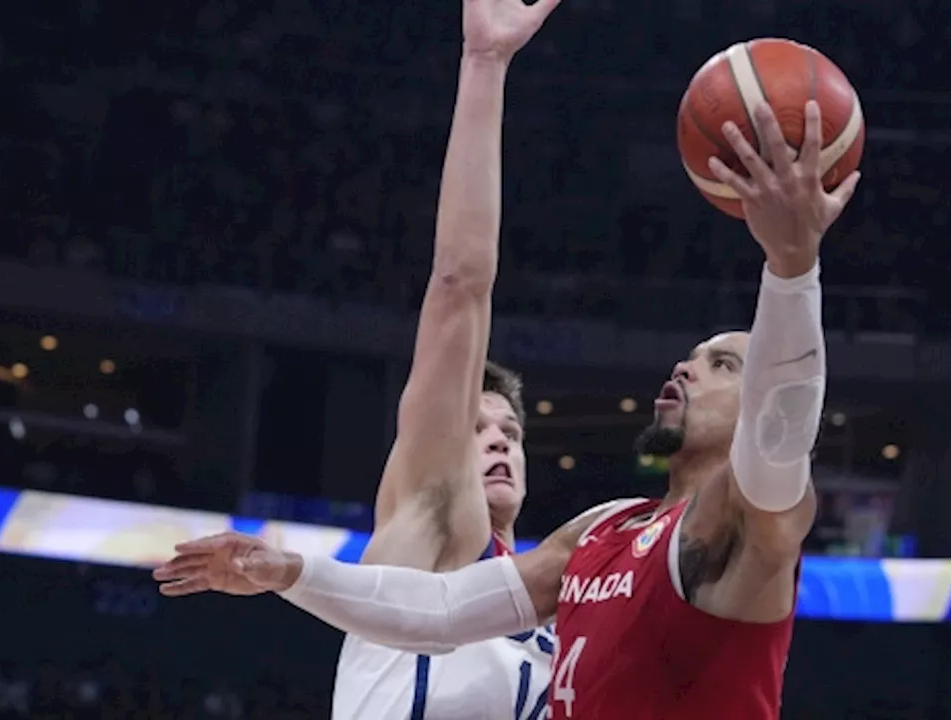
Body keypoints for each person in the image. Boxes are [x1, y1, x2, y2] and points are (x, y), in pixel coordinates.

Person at [156, 102, 859, 719]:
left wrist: (792, 269)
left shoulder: (750, 517)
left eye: (723, 364)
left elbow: (781, 435)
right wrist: (288, 572)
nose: (685, 366)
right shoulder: (601, 529)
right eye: (693, 356)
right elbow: (440, 612)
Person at [155, 0, 560, 717]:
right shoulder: (439, 518)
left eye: (512, 433)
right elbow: (460, 286)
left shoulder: (548, 604)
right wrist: (485, 67)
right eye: (477, 426)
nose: (498, 438)